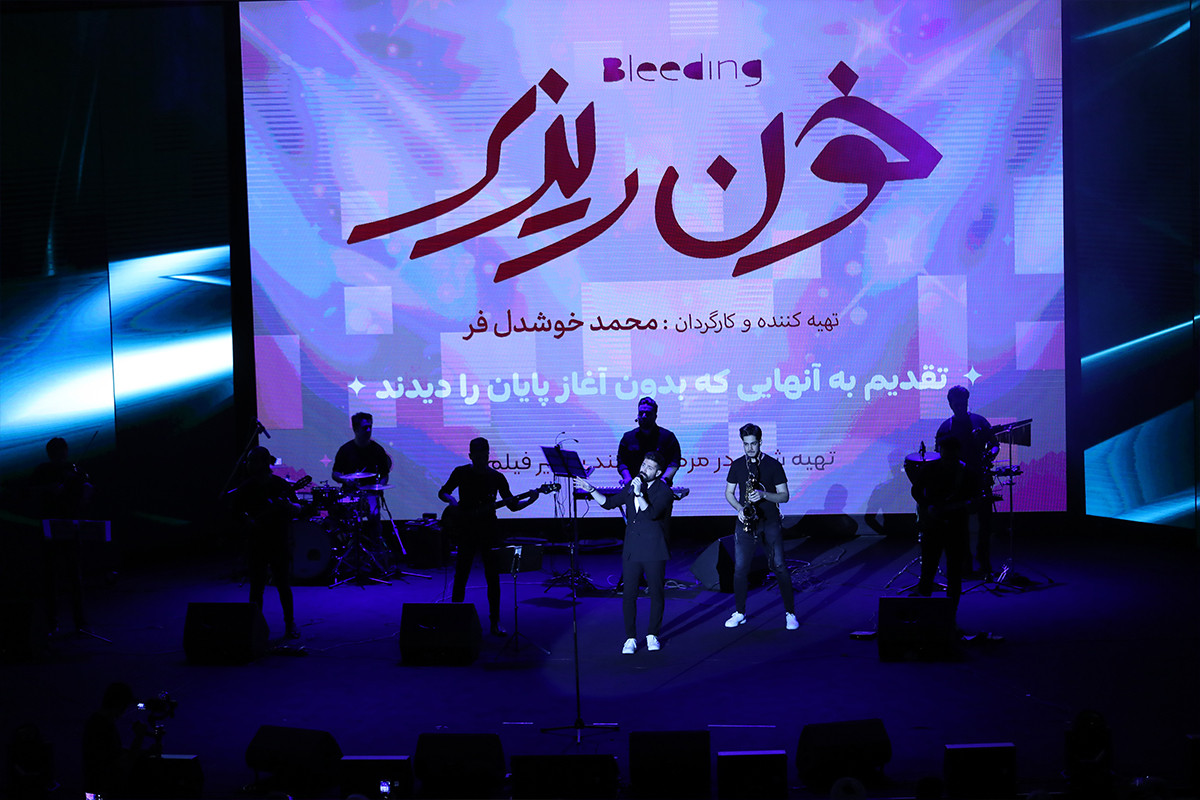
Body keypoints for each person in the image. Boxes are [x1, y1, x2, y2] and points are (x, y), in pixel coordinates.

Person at [438, 438, 539, 636]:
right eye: (477, 457)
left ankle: (495, 621)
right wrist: (452, 501)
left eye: (483, 456)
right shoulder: (461, 472)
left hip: (488, 530)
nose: (480, 460)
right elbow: (443, 492)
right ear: (470, 456)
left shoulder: (496, 477)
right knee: (461, 574)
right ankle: (455, 618)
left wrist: (530, 500)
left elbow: (512, 505)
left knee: (493, 577)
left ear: (488, 455)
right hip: (466, 529)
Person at [578, 451, 674, 654]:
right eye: (643, 464)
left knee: (656, 592)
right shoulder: (632, 486)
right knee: (629, 594)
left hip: (654, 549)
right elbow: (609, 503)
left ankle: (652, 634)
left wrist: (639, 493)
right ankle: (630, 637)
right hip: (632, 549)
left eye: (649, 467)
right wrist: (591, 489)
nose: (644, 469)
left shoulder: (664, 491)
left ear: (658, 473)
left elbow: (652, 514)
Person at [723, 424, 798, 630]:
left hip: (770, 523)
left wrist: (764, 495)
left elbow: (784, 496)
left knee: (779, 566)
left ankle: (790, 613)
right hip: (746, 523)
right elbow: (729, 493)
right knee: (740, 569)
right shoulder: (737, 465)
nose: (750, 448)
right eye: (746, 444)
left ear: (760, 442)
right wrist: (740, 508)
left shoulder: (773, 465)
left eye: (753, 444)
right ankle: (740, 612)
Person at [231, 446, 301, 638]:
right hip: (256, 542)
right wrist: (248, 521)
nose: (248, 465)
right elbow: (236, 513)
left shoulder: (280, 485)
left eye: (252, 461)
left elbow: (298, 508)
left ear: (262, 462)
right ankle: (255, 626)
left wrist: (288, 505)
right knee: (256, 587)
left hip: (278, 540)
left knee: (283, 584)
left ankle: (290, 624)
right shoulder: (246, 487)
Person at [32, 436, 95, 634]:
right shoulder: (42, 471)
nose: (61, 455)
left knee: (75, 576)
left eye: (62, 451)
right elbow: (30, 492)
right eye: (56, 452)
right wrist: (49, 488)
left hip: (70, 525)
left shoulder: (75, 470)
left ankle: (80, 622)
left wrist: (86, 493)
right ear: (50, 454)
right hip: (50, 526)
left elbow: (87, 487)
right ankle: (53, 623)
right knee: (51, 577)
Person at [934, 385, 999, 576]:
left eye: (963, 403)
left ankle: (983, 559)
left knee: (985, 523)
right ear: (950, 404)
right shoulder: (945, 428)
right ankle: (966, 562)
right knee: (959, 524)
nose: (960, 407)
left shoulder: (980, 421)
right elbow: (938, 454)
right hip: (957, 483)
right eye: (956, 404)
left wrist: (990, 455)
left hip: (980, 477)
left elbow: (995, 444)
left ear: (967, 401)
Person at [909, 437, 973, 619]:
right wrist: (928, 507)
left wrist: (928, 507)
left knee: (944, 571)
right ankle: (945, 616)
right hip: (942, 525)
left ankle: (935, 616)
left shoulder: (964, 472)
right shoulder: (960, 471)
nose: (947, 456)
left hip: (949, 525)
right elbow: (916, 491)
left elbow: (916, 491)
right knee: (939, 571)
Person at [332, 411, 394, 541]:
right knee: (338, 514)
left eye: (370, 427)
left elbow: (384, 474)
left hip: (370, 494)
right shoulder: (345, 450)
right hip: (349, 493)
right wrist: (346, 481)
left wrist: (379, 487)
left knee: (374, 517)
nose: (369, 430)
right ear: (355, 429)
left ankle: (375, 545)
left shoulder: (377, 450)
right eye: (365, 427)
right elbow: (335, 473)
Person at [82, 682, 148, 798]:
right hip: (103, 791)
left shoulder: (99, 722)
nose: (125, 710)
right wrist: (139, 737)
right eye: (125, 705)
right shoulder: (101, 726)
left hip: (96, 789)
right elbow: (118, 765)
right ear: (119, 704)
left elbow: (113, 753)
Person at [617, 397, 682, 487]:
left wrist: (664, 480)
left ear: (655, 416)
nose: (644, 416)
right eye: (641, 413)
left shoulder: (668, 437)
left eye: (648, 413)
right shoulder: (628, 438)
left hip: (660, 489)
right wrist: (627, 479)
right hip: (633, 486)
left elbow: (674, 463)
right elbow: (622, 463)